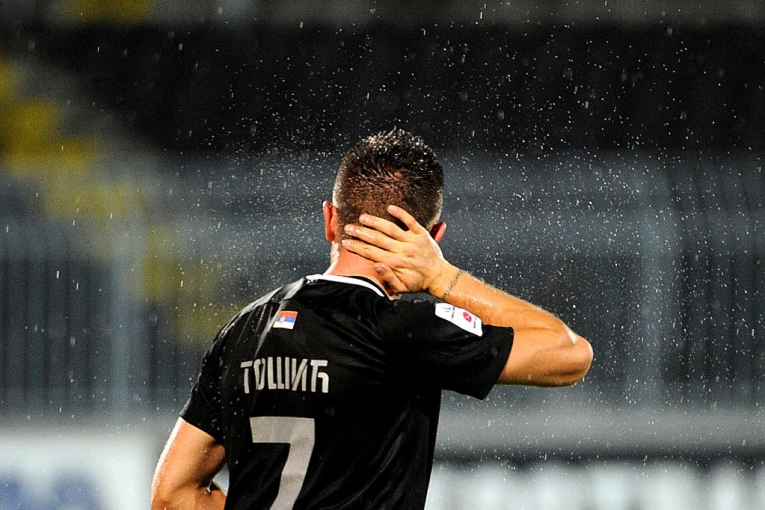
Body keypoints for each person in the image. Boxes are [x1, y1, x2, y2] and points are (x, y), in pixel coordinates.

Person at [151, 129, 593, 509]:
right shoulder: (403, 330)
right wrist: (442, 276)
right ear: (432, 238)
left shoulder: (245, 328)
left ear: (330, 219)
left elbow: (172, 494)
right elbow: (569, 355)